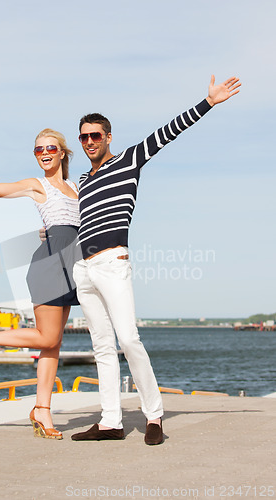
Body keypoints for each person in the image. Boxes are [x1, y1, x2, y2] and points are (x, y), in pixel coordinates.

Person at [70, 75, 241, 445]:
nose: (88, 142)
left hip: (113, 264)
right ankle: (111, 421)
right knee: (101, 346)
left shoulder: (129, 159)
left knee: (128, 339)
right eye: (83, 137)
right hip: (83, 269)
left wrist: (208, 102)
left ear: (108, 137)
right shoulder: (83, 180)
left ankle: (154, 415)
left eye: (95, 135)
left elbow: (167, 132)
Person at [0, 128, 81, 440]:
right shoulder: (38, 185)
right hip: (48, 265)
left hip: (72, 267)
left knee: (53, 344)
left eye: (50, 147)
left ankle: (42, 410)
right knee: (47, 338)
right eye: (38, 150)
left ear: (63, 152)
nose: (44, 153)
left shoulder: (77, 187)